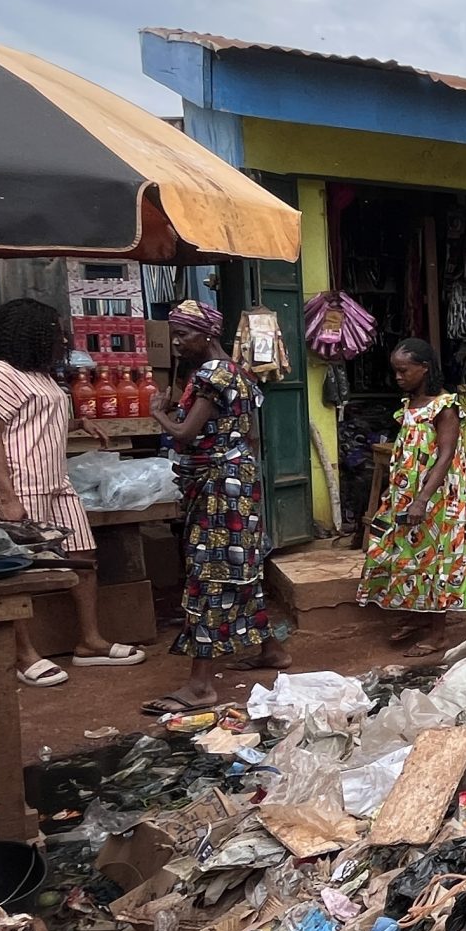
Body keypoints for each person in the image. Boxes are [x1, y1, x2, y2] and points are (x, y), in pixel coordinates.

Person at [0, 297, 145, 687]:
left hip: (56, 484)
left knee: (83, 558)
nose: (63, 338)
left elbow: (31, 424)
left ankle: (89, 641)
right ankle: (23, 654)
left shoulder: (43, 376)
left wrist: (77, 424)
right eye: (55, 330)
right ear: (28, 332)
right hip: (19, 485)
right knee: (17, 571)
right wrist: (6, 497)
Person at [149, 300, 288, 713]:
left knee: (209, 574)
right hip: (238, 483)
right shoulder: (239, 374)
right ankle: (273, 651)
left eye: (184, 334)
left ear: (207, 334)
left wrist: (159, 413)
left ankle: (200, 685)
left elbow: (187, 433)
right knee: (240, 570)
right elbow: (244, 434)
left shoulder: (211, 375)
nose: (176, 343)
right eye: (174, 334)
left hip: (217, 488)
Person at [359, 338, 466, 648]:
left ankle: (437, 633)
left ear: (424, 369)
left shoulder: (444, 406)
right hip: (406, 497)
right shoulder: (409, 406)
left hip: (437, 499)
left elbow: (446, 455)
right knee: (406, 554)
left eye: (403, 371)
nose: (398, 377)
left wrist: (422, 499)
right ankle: (418, 615)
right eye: (395, 371)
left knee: (438, 558)